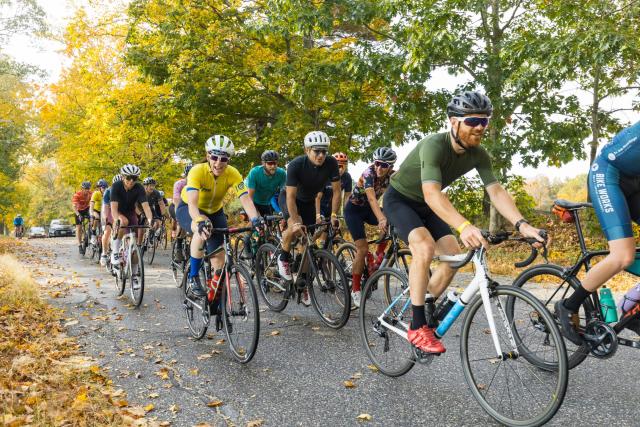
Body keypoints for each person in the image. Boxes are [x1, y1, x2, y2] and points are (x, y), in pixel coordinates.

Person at [383, 91, 545, 354]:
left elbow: (496, 191)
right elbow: (432, 192)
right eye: (472, 121)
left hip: (428, 205)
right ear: (453, 122)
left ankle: (423, 304)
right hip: (400, 200)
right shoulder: (434, 145)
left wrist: (522, 224)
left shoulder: (478, 154)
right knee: (423, 248)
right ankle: (416, 325)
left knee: (454, 258)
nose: (480, 127)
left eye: (485, 121)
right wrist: (463, 225)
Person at [555, 120, 640, 344]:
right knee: (623, 255)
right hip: (608, 175)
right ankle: (569, 305)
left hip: (635, 181)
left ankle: (632, 308)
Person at [176, 135, 263, 298]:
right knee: (200, 231)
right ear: (208, 155)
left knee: (219, 261)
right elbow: (193, 205)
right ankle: (193, 277)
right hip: (189, 208)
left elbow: (245, 199)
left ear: (228, 159)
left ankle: (213, 296)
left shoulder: (233, 173)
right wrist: (200, 220)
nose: (218, 163)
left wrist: (255, 219)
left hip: (215, 211)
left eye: (223, 159)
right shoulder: (197, 171)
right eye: (214, 157)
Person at [277, 131, 341, 306]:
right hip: (290, 199)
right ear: (307, 150)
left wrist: (334, 215)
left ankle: (303, 282)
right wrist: (296, 221)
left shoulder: (331, 163)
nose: (321, 155)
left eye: (324, 151)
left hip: (309, 203)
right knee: (293, 227)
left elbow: (337, 192)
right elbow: (290, 197)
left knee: (307, 243)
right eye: (316, 151)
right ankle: (283, 257)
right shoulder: (296, 165)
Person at [344, 147, 397, 308]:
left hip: (368, 210)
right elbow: (373, 199)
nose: (379, 168)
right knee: (362, 248)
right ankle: (355, 289)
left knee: (393, 220)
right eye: (377, 163)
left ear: (391, 166)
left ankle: (379, 255)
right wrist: (381, 218)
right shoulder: (369, 174)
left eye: (384, 165)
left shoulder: (393, 176)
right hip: (354, 210)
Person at [110, 164, 154, 291]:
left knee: (134, 248)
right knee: (123, 221)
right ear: (123, 177)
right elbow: (113, 209)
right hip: (118, 211)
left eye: (134, 178)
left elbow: (145, 206)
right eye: (129, 178)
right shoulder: (116, 186)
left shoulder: (139, 188)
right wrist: (117, 219)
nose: (131, 181)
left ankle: (134, 276)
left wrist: (150, 220)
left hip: (130, 212)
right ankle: (116, 251)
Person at [241, 150, 287, 257]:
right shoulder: (255, 172)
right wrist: (255, 215)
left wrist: (284, 211)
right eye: (270, 163)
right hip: (252, 200)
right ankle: (246, 241)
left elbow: (283, 195)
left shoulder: (281, 174)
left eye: (275, 163)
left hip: (266, 202)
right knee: (256, 222)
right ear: (263, 164)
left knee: (268, 229)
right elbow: (249, 197)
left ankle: (265, 253)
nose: (273, 166)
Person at [316, 152, 352, 219]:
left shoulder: (347, 177)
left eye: (343, 166)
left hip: (333, 206)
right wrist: (317, 215)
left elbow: (347, 197)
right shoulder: (325, 175)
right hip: (319, 205)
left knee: (332, 227)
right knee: (320, 226)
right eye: (338, 166)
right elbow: (318, 197)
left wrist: (347, 212)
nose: (341, 169)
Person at [171, 163, 193, 262]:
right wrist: (179, 219)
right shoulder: (179, 184)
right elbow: (177, 203)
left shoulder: (201, 183)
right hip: (177, 206)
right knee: (182, 225)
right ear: (186, 175)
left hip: (191, 206)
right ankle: (179, 249)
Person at [100, 174, 121, 266]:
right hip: (108, 210)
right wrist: (105, 219)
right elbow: (105, 208)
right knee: (107, 231)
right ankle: (104, 253)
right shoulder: (108, 192)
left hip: (120, 210)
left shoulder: (126, 190)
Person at [141, 176, 168, 241]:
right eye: (150, 185)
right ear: (145, 186)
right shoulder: (141, 192)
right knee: (140, 225)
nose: (152, 187)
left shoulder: (156, 193)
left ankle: (151, 233)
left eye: (153, 185)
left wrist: (165, 214)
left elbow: (161, 204)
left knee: (158, 222)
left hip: (150, 208)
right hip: (141, 208)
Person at [72, 181, 93, 253]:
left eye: (88, 188)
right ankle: (79, 245)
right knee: (79, 227)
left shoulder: (91, 194)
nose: (87, 190)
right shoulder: (77, 195)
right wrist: (78, 215)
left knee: (93, 219)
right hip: (79, 211)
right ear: (82, 188)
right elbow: (74, 207)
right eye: (85, 188)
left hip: (87, 209)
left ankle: (89, 233)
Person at [89, 179, 108, 245]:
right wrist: (91, 214)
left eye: (105, 187)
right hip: (95, 210)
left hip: (103, 211)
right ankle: (93, 233)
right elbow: (91, 204)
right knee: (96, 217)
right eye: (103, 188)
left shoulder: (107, 193)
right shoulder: (96, 193)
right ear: (100, 188)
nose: (104, 189)